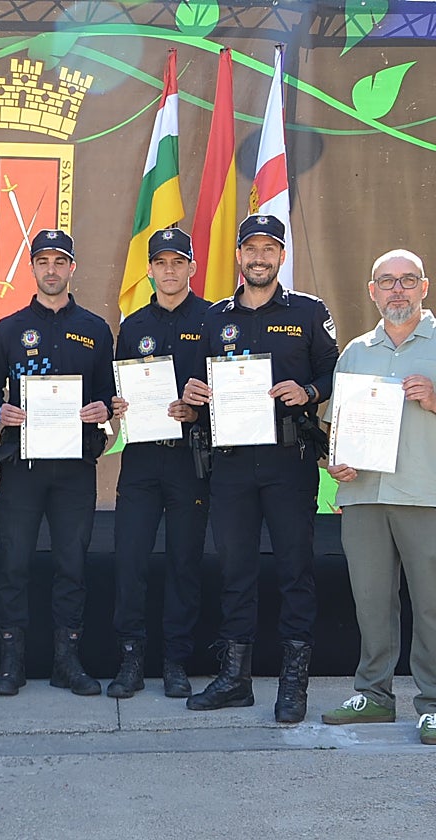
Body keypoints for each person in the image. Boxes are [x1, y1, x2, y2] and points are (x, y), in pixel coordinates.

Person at [182, 214, 337, 723]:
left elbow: (334, 372)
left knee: (296, 571)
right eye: (252, 249)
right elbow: (195, 386)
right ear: (238, 256)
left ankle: (294, 685)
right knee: (234, 572)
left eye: (270, 249)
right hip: (229, 465)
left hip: (289, 462)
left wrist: (309, 391)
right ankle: (234, 679)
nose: (260, 258)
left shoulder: (310, 313)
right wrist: (193, 395)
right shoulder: (213, 319)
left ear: (281, 257)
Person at [0, 229, 115, 697]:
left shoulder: (96, 330)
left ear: (72, 268)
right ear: (33, 269)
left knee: (71, 567)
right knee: (13, 565)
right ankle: (10, 664)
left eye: (60, 261)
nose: (52, 269)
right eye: (43, 262)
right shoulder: (6, 329)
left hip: (76, 469)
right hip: (22, 469)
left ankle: (68, 662)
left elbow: (107, 394)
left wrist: (103, 409)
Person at [320, 249, 436, 745]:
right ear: (372, 291)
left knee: (431, 604)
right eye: (387, 281)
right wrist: (334, 464)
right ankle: (373, 694)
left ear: (424, 287)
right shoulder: (354, 352)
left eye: (407, 281)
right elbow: (336, 429)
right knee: (370, 600)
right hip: (364, 494)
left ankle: (432, 704)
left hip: (425, 493)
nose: (397, 290)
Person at [107, 229, 210, 699]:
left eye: (178, 262)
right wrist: (119, 406)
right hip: (142, 462)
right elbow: (118, 392)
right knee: (130, 561)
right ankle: (130, 658)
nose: (169, 270)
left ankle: (175, 661)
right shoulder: (132, 326)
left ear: (192, 267)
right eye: (161, 263)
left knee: (184, 563)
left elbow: (225, 391)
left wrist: (197, 411)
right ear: (148, 270)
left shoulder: (212, 319)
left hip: (190, 459)